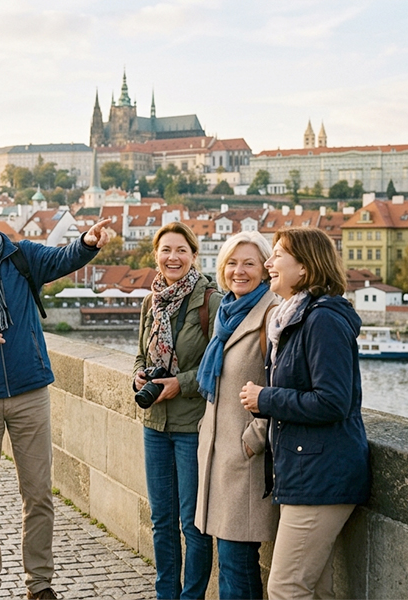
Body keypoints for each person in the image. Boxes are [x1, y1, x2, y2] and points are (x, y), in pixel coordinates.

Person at [0, 189, 113, 600]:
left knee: (38, 493)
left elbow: (65, 258)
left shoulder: (22, 256)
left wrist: (87, 243)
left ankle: (40, 584)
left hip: (29, 390)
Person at [239, 228, 367, 599]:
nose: (268, 263)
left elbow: (333, 401)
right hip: (305, 470)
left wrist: (267, 399)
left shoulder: (322, 320)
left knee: (286, 588)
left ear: (306, 269)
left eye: (278, 254)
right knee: (316, 590)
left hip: (321, 475)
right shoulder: (291, 317)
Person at [131, 222, 221, 599]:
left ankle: (192, 596)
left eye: (181, 250)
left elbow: (219, 367)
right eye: (166, 250)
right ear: (156, 256)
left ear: (194, 255)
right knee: (161, 520)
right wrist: (138, 374)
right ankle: (166, 593)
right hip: (155, 424)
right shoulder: (151, 302)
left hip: (191, 425)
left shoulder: (211, 302)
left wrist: (177, 384)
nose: (173, 257)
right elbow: (140, 351)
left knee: (193, 523)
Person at [193, 232, 280, 600]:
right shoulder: (227, 312)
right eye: (232, 262)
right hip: (218, 453)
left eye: (248, 263)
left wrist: (253, 438)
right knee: (229, 562)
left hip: (245, 460)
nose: (238, 271)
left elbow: (283, 382)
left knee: (237, 563)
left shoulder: (272, 314)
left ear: (265, 267)